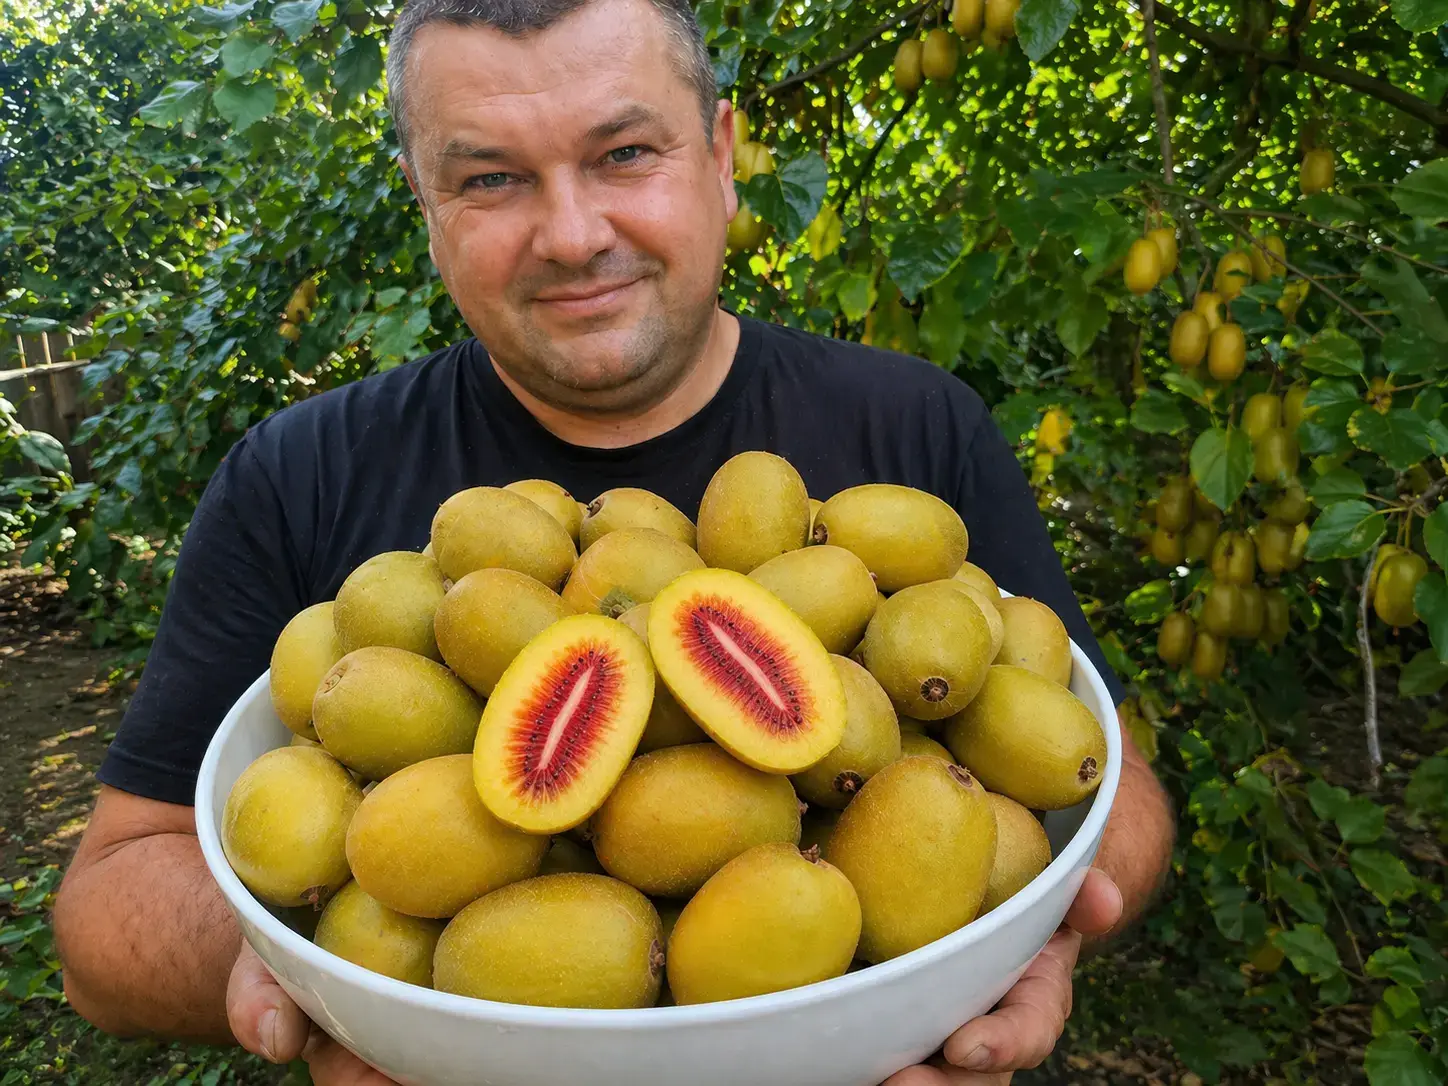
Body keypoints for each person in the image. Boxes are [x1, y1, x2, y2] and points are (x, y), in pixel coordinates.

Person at [52, 0, 1175, 1082]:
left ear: (721, 154)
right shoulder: (296, 475)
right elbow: (104, 919)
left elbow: (1105, 783)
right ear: (423, 200)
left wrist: (1048, 932)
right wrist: (326, 987)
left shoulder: (920, 424)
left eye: (625, 153)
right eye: (489, 178)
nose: (574, 235)